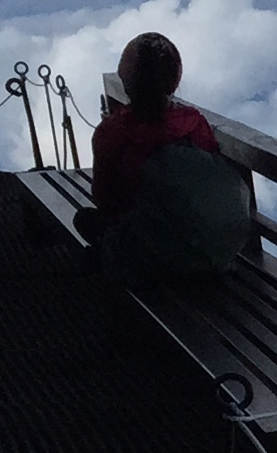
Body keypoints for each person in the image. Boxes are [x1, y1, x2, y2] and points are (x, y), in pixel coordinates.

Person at [80, 31, 255, 283]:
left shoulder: (113, 132)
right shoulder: (194, 123)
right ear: (173, 81)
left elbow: (107, 201)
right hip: (219, 252)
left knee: (88, 221)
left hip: (161, 260)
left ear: (126, 82)